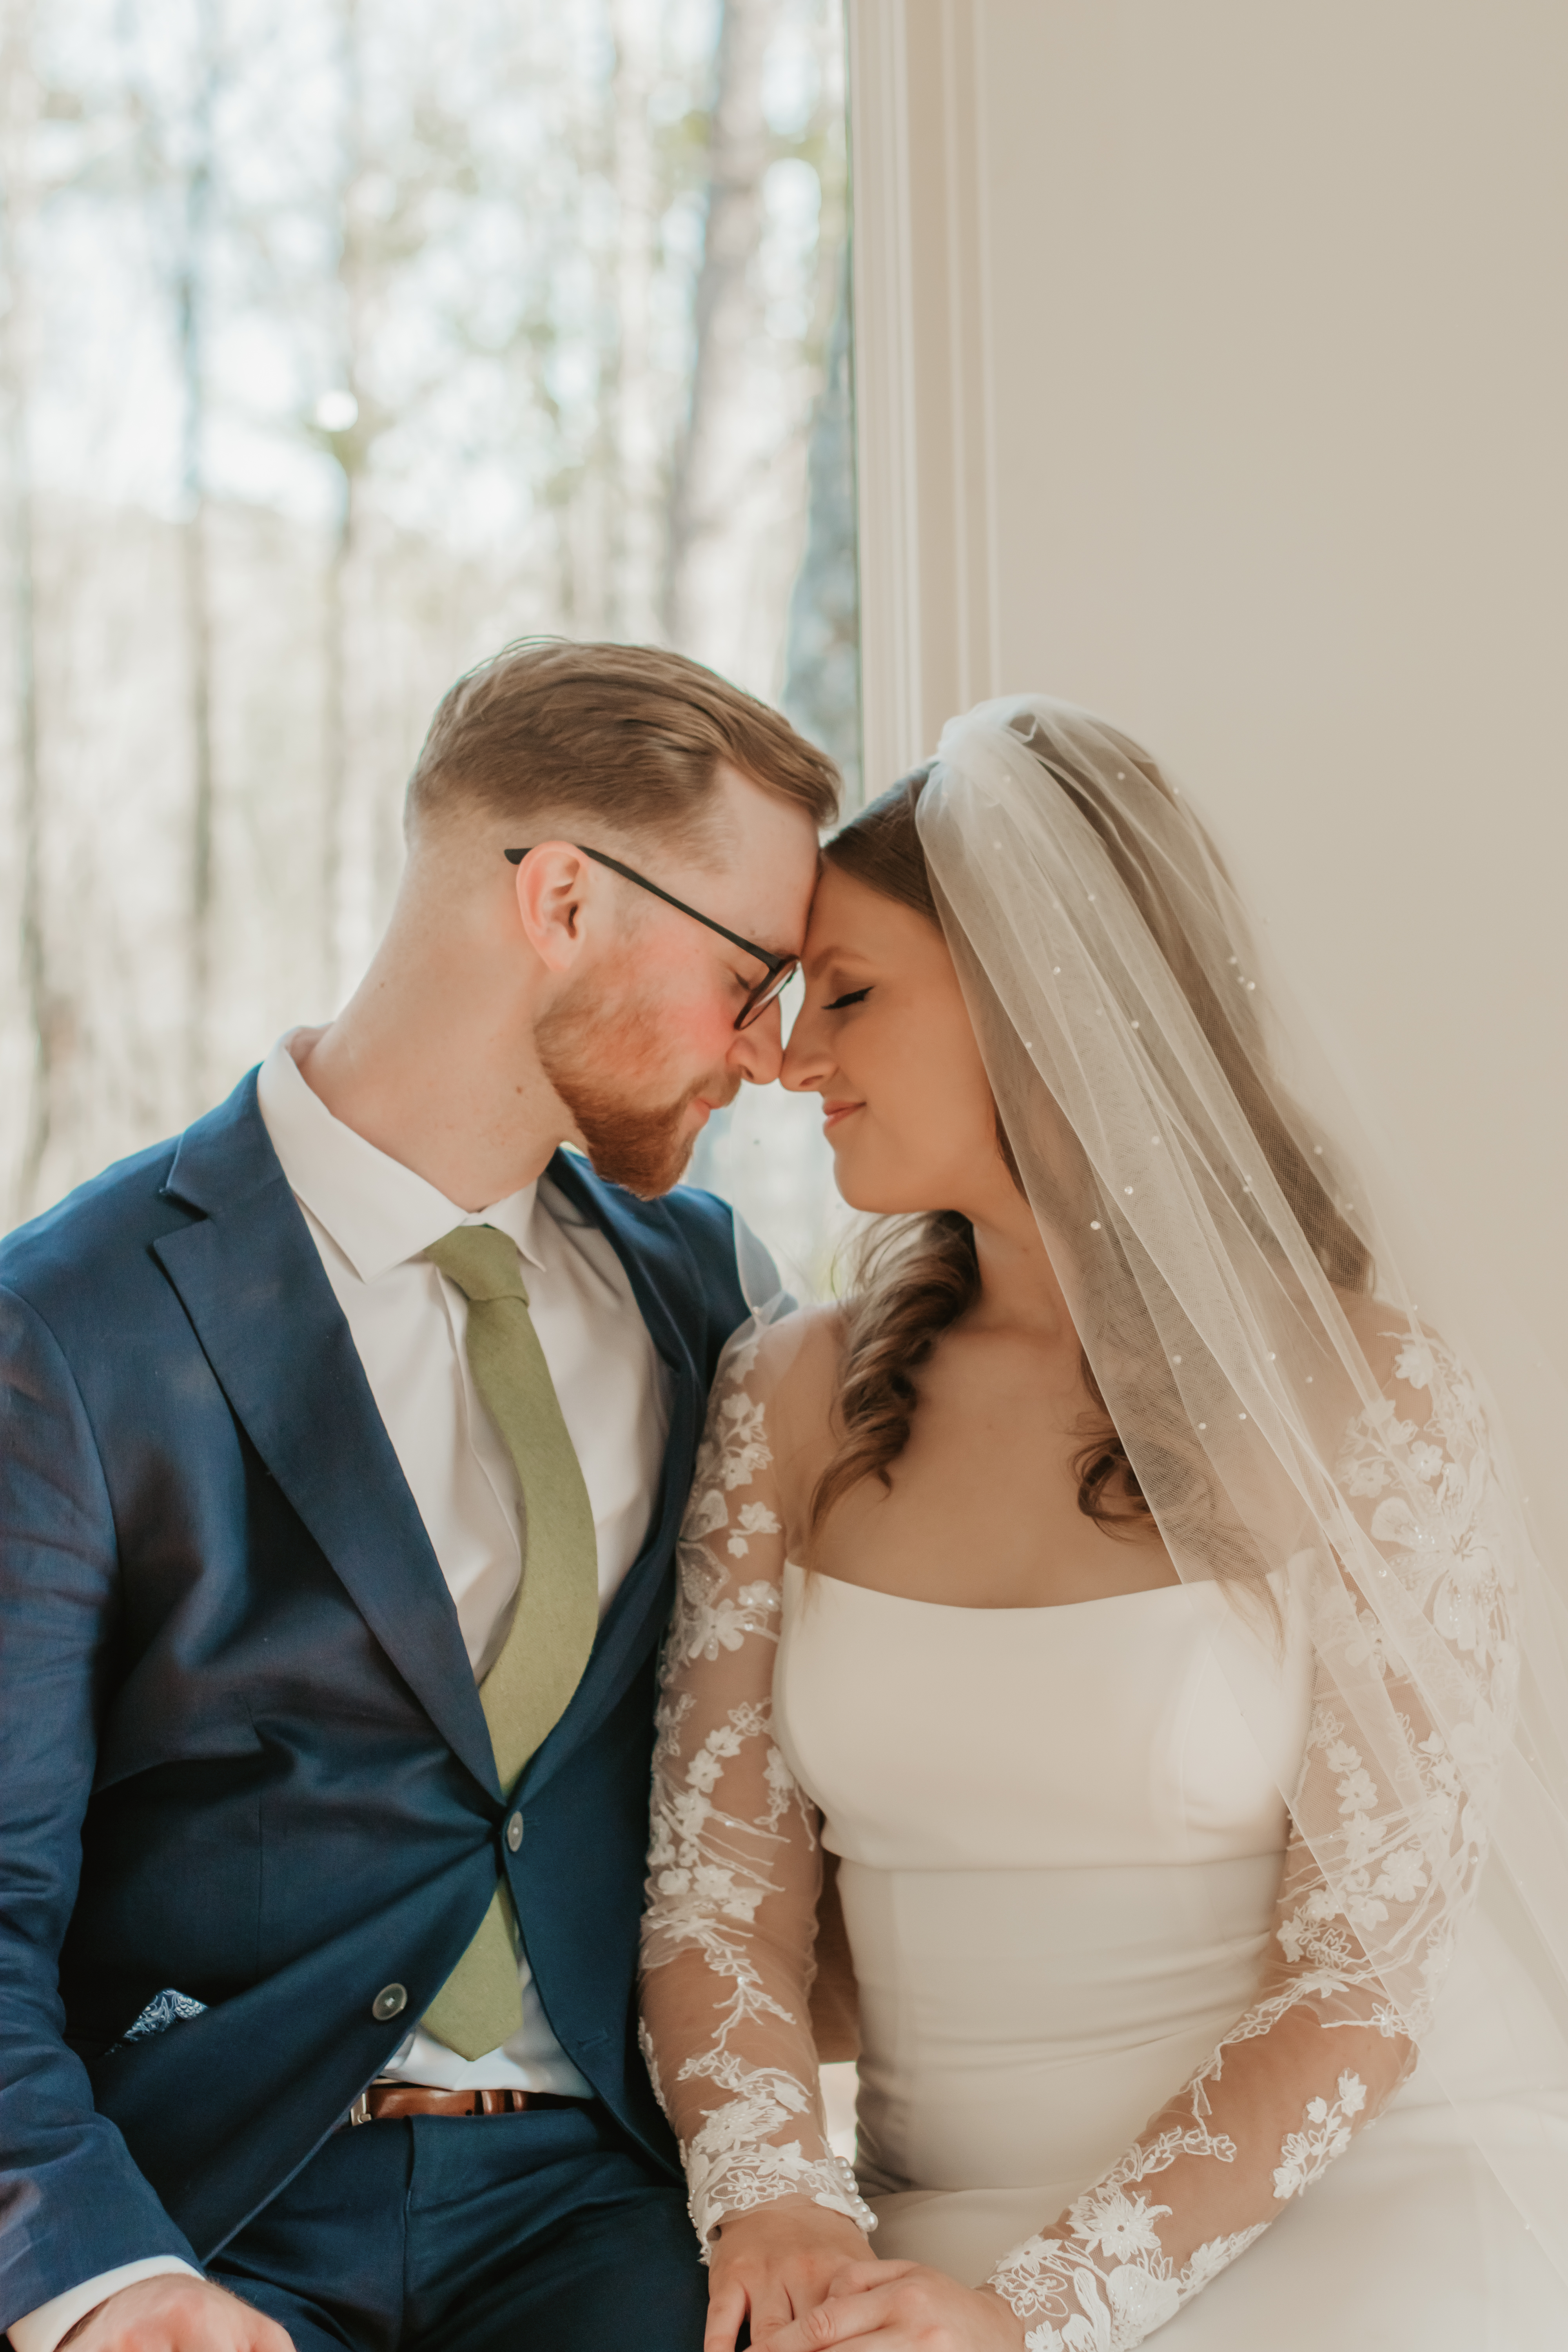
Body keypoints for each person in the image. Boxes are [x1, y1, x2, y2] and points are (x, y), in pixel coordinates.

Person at [639, 694, 1568, 2350]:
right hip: (911, 2249)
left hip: (1325, 2223)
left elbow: (1362, 1978)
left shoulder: (1365, 1400)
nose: (786, 1058)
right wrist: (775, 2195)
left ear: (1035, 1008)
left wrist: (1041, 2313)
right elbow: (720, 1908)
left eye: (848, 996)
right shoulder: (786, 1396)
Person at [0, 639, 838, 2352]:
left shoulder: (714, 1302)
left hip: (605, 2217)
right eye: (751, 976)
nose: (767, 1053)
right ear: (559, 902)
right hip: (206, 2215)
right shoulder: (68, 1328)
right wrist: (98, 2279)